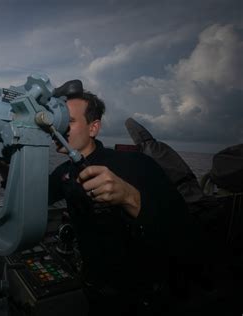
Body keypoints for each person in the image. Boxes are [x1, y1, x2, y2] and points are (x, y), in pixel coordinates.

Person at [49, 80, 207, 315]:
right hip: (92, 289)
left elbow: (184, 233)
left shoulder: (136, 164)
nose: (58, 127)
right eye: (57, 120)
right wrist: (3, 168)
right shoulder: (64, 172)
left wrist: (130, 197)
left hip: (141, 299)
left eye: (69, 121)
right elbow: (37, 196)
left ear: (93, 128)